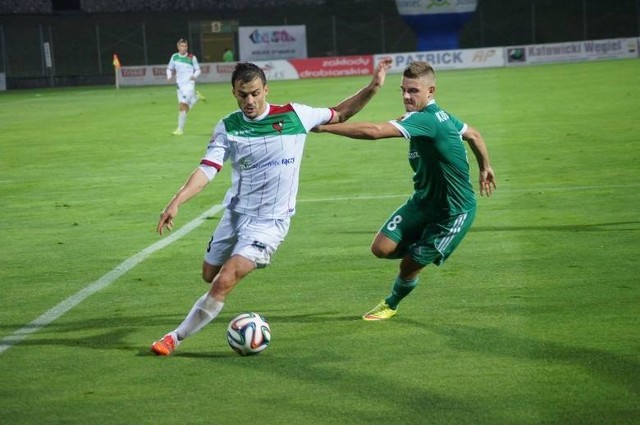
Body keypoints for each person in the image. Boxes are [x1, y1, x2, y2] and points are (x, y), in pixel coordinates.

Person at [151, 59, 393, 355]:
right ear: (234, 93)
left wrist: (373, 87)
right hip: (236, 215)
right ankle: (213, 299)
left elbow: (340, 113)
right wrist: (177, 201)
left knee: (225, 279)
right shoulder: (229, 126)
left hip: (270, 222)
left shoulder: (295, 115)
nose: (250, 101)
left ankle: (173, 338)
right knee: (209, 274)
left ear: (266, 89)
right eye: (243, 95)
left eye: (255, 93)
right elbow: (208, 168)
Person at [315, 60, 496, 321]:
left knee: (409, 265)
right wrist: (485, 167)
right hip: (422, 203)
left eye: (413, 91)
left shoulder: (428, 121)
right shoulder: (437, 117)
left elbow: (375, 131)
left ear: (430, 91)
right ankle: (419, 247)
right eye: (403, 90)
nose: (406, 96)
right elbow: (475, 135)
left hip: (451, 213)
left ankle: (391, 302)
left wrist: (323, 127)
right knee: (381, 248)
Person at [166, 38, 204, 136]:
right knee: (184, 107)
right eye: (182, 46)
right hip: (179, 86)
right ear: (178, 47)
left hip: (189, 85)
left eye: (186, 46)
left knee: (182, 106)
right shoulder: (174, 57)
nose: (184, 48)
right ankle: (195, 98)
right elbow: (169, 69)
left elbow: (198, 70)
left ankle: (180, 129)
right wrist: (169, 77)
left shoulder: (192, 57)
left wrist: (194, 76)